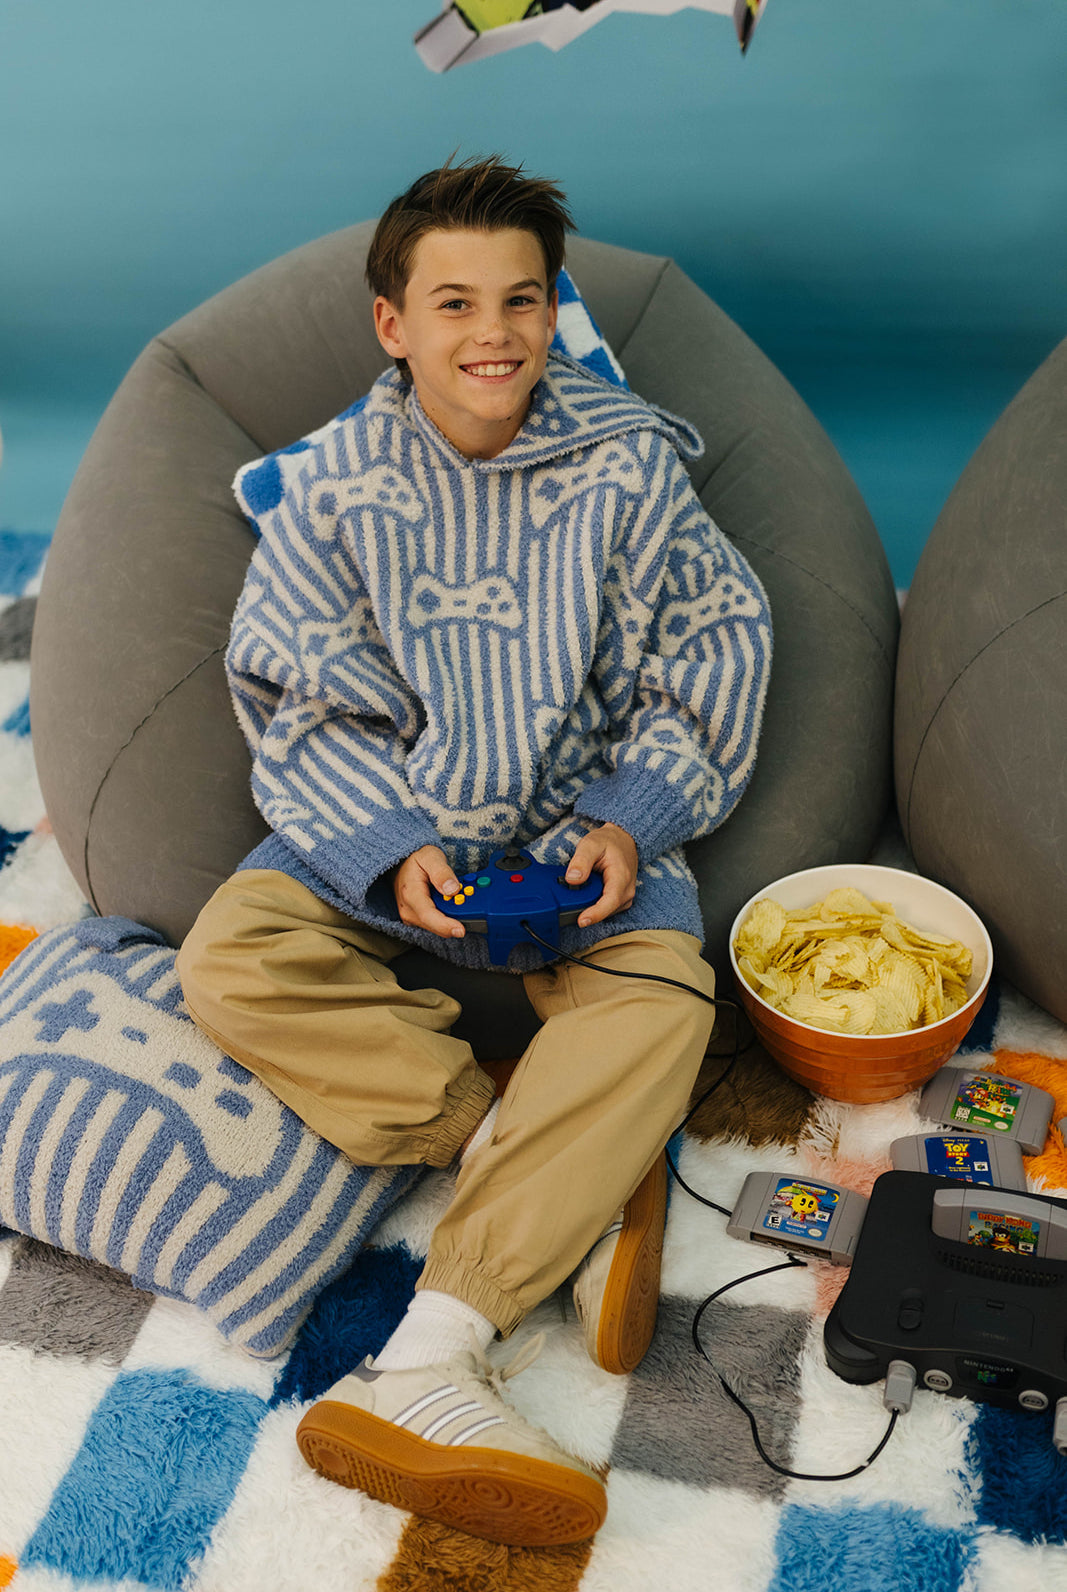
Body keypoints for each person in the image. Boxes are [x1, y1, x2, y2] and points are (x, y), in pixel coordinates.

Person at [176, 154, 772, 1546]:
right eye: (453, 303)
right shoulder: (333, 492)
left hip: (584, 848)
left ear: (554, 308)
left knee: (672, 1001)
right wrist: (387, 849)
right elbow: (292, 689)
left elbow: (722, 642)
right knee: (228, 957)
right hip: (400, 843)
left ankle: (436, 1346)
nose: (490, 331)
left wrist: (635, 816)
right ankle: (525, 1142)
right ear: (396, 325)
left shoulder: (626, 465)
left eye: (520, 299)